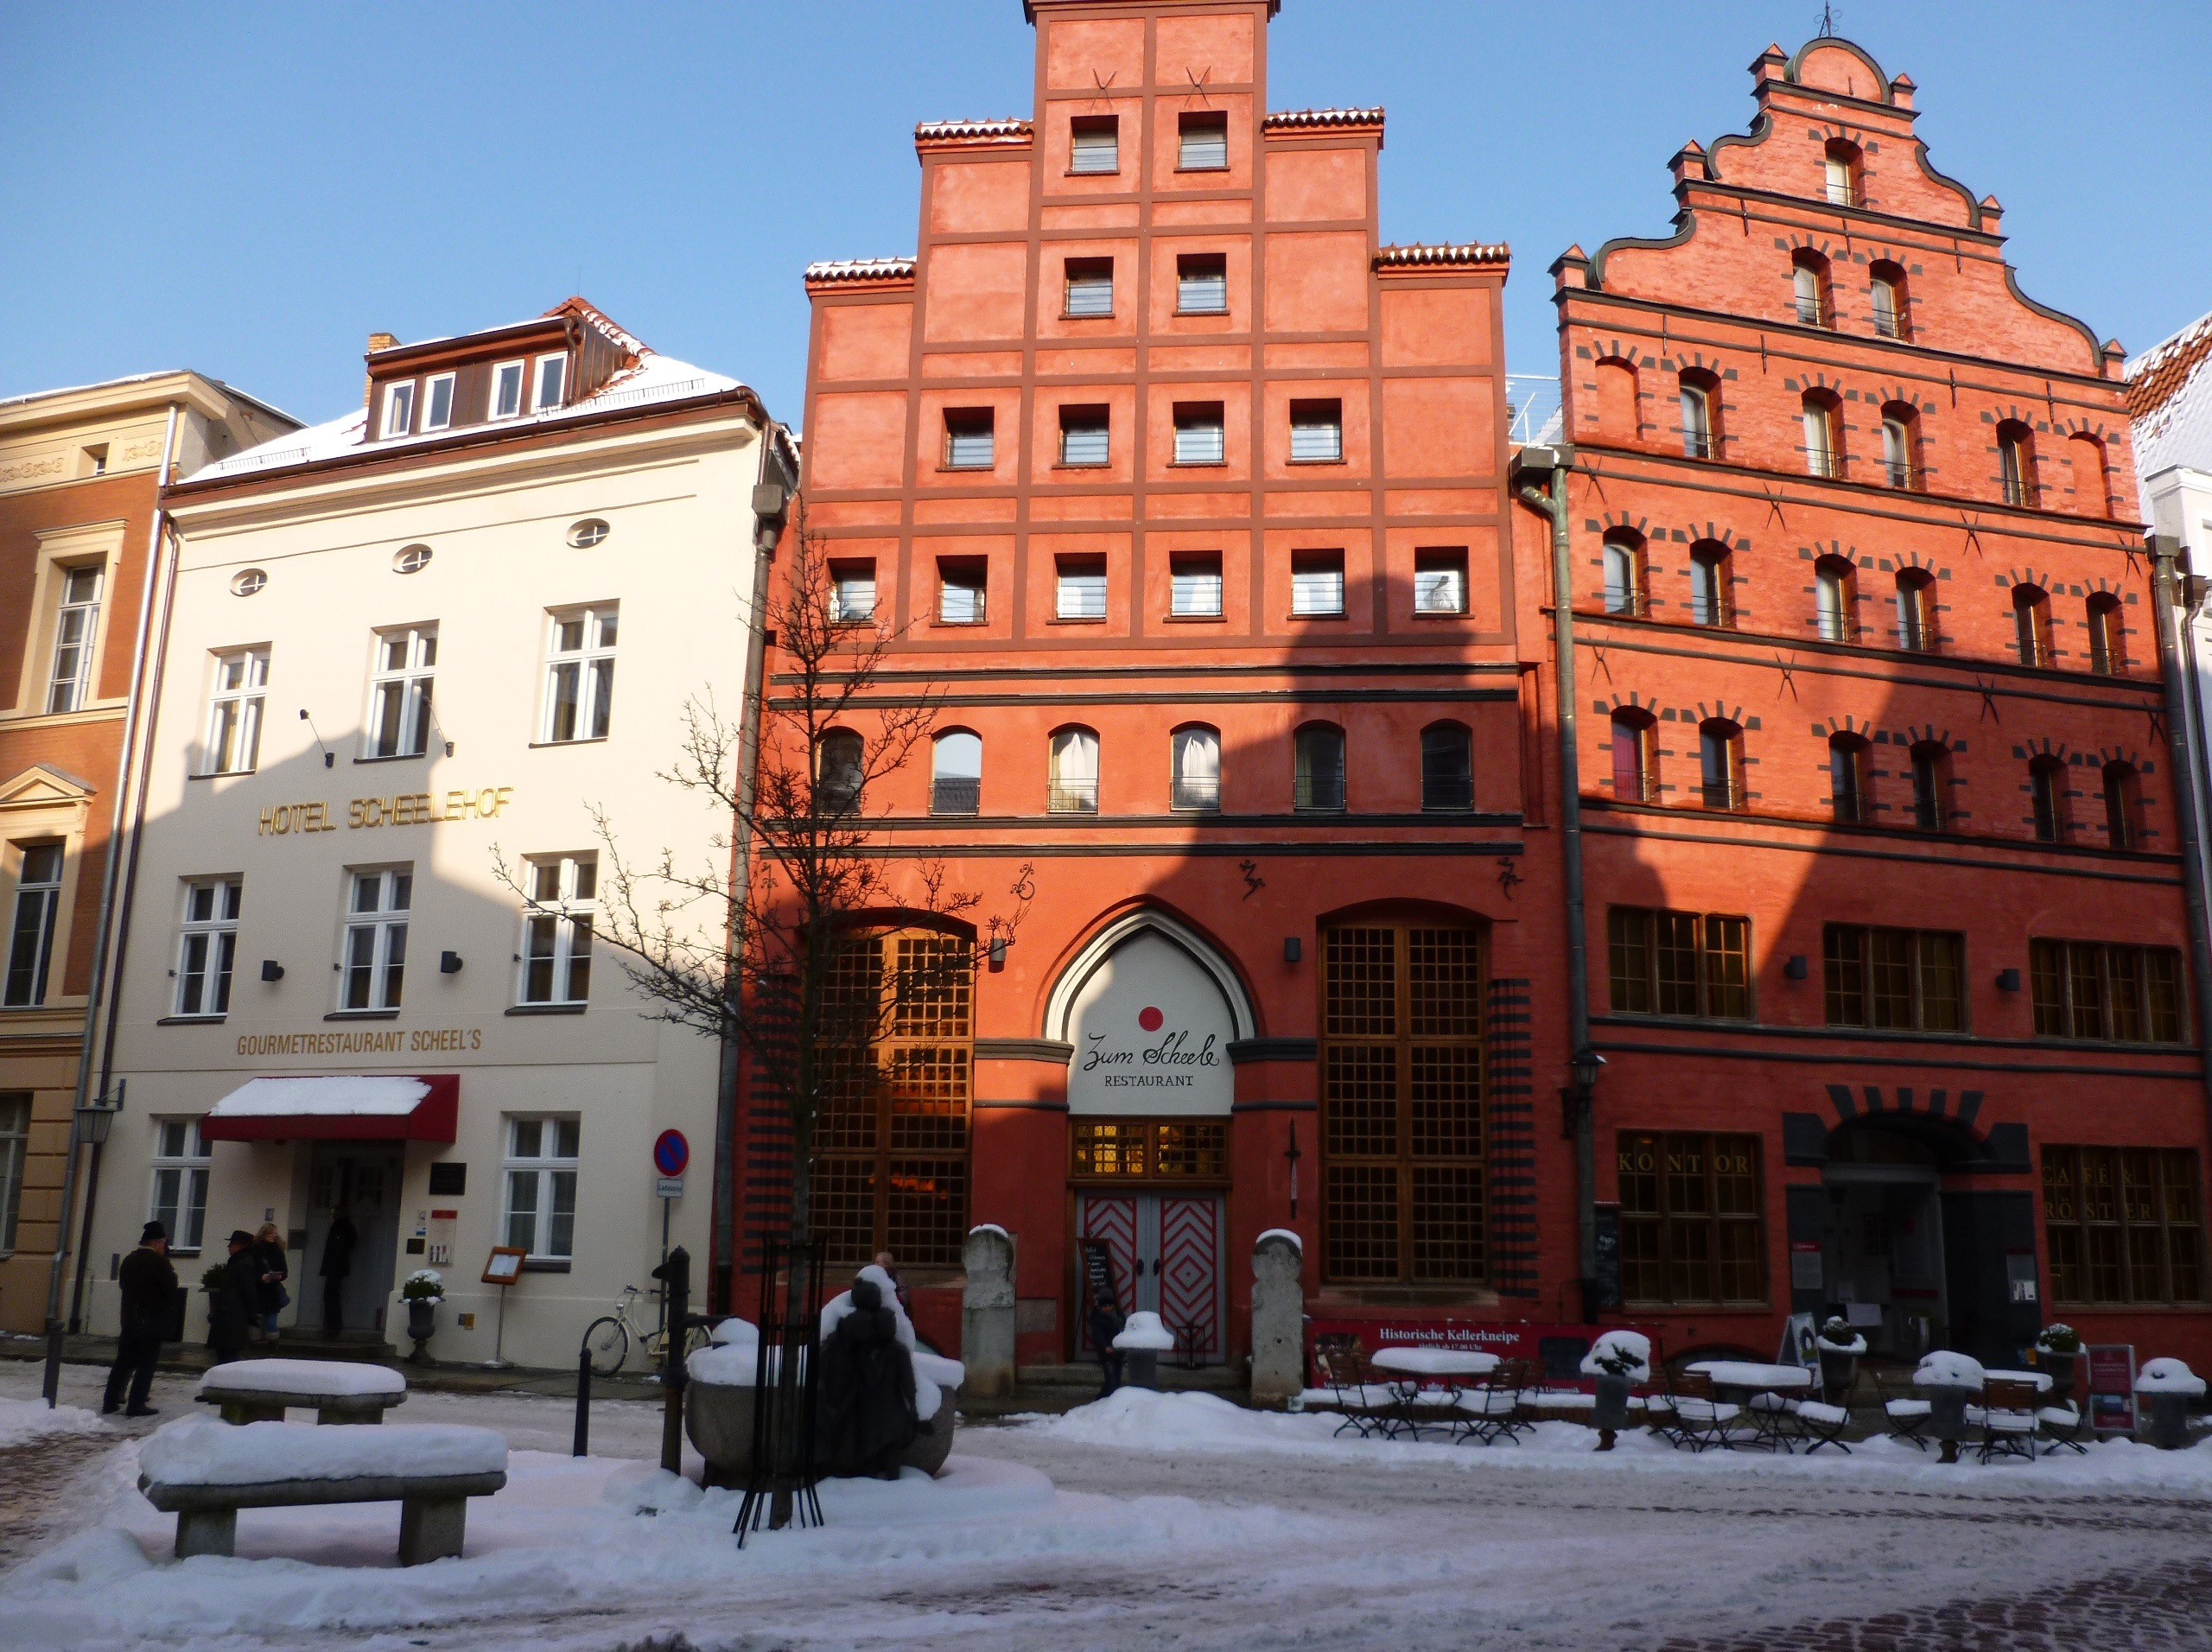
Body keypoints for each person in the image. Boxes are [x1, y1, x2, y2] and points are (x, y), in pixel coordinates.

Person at [815, 1275, 918, 1479]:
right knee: (842, 1448)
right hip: (858, 1413)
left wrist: (913, 1408)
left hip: (884, 1416)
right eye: (862, 1328)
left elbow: (896, 1381)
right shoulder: (836, 1348)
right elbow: (823, 1380)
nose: (867, 1333)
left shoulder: (892, 1352)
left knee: (881, 1455)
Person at [102, 1221, 176, 1417]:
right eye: (163, 1243)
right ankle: (136, 1403)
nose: (164, 1247)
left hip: (129, 1319)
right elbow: (171, 1288)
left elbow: (124, 1287)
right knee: (146, 1365)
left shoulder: (129, 1260)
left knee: (123, 1362)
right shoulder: (159, 1263)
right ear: (157, 1243)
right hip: (151, 1321)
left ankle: (109, 1401)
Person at [209, 1229, 263, 1366]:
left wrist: (251, 1314)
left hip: (232, 1319)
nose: (229, 1247)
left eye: (231, 1244)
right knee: (225, 1356)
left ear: (240, 1245)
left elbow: (248, 1291)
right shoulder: (239, 1262)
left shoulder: (242, 1264)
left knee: (228, 1359)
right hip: (230, 1318)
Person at [320, 1204, 358, 1334]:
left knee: (331, 1295)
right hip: (335, 1266)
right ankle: (333, 1324)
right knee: (331, 1296)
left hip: (336, 1267)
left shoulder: (342, 1228)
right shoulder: (340, 1227)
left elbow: (345, 1245)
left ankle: (334, 1325)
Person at [251, 1222, 289, 1341]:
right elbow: (250, 1269)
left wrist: (278, 1276)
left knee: (271, 1322)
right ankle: (255, 1347)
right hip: (257, 1291)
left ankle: (271, 1348)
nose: (274, 1236)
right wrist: (260, 1277)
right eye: (271, 1233)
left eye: (275, 1234)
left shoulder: (278, 1251)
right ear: (264, 1234)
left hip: (272, 1292)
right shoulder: (255, 1250)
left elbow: (284, 1272)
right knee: (255, 1322)